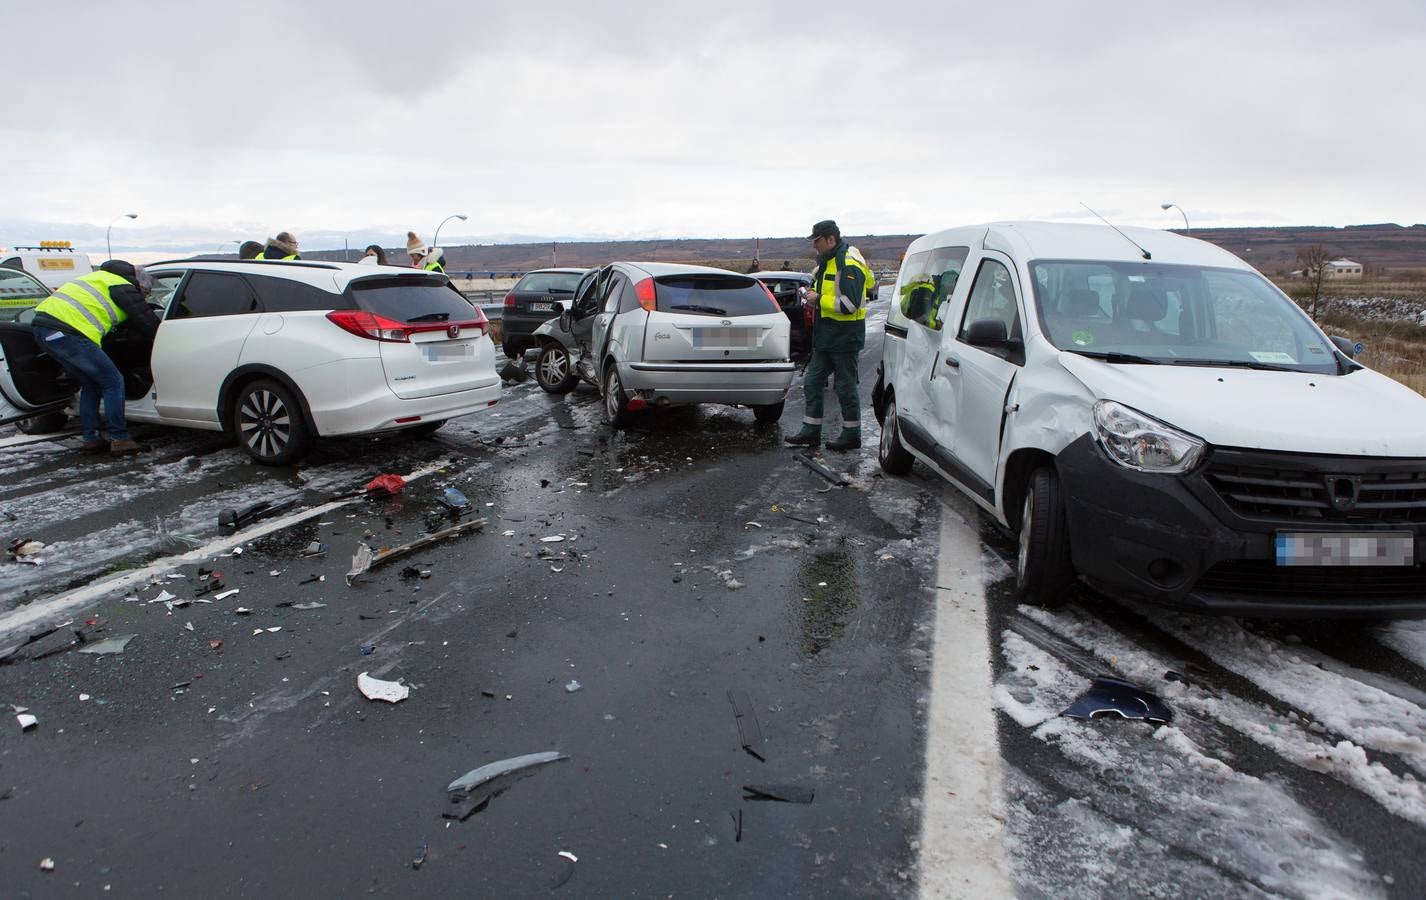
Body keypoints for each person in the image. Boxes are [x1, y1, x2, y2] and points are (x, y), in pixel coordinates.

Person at [29, 261, 161, 456]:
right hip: (70, 333)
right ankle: (120, 438)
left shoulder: (95, 278)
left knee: (91, 383)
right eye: (145, 292)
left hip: (43, 329)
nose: (144, 295)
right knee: (113, 381)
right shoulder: (123, 286)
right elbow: (149, 323)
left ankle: (91, 439)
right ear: (140, 284)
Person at [784, 220, 871, 452]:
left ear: (831, 239)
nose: (815, 247)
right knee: (812, 382)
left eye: (817, 241)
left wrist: (817, 299)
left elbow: (850, 305)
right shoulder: (826, 264)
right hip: (825, 338)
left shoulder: (848, 264)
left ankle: (852, 434)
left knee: (845, 387)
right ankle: (811, 432)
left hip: (845, 338)